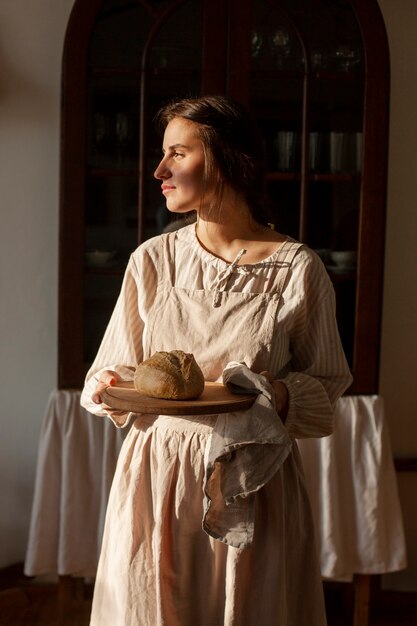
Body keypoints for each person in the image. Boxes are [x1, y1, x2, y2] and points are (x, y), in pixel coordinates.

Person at [80, 94, 353, 626]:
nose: (159, 170)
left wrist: (277, 393)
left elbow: (328, 384)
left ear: (227, 159)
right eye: (164, 155)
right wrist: (113, 382)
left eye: (177, 154)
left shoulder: (297, 269)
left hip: (252, 473)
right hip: (154, 479)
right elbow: (104, 373)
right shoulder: (153, 261)